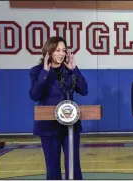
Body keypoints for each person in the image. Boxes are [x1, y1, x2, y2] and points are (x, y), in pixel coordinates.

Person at [29, 36, 88, 180]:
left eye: (63, 50)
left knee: (73, 165)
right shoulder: (37, 71)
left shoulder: (69, 70)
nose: (61, 54)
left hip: (70, 126)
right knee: (52, 166)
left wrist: (74, 69)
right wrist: (45, 73)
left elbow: (84, 90)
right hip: (48, 127)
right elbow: (34, 95)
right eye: (57, 50)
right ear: (48, 52)